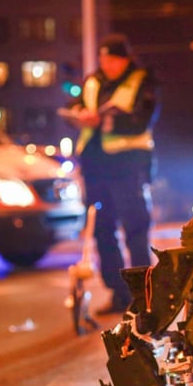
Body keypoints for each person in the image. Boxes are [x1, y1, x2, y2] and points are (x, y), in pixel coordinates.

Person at [65, 33, 159, 313]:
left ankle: (145, 297)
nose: (107, 65)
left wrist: (105, 120)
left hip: (128, 166)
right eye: (103, 59)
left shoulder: (142, 80)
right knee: (103, 232)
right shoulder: (93, 82)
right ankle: (119, 295)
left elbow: (142, 120)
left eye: (112, 59)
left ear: (125, 59)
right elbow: (76, 106)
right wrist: (78, 114)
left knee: (135, 230)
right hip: (95, 167)